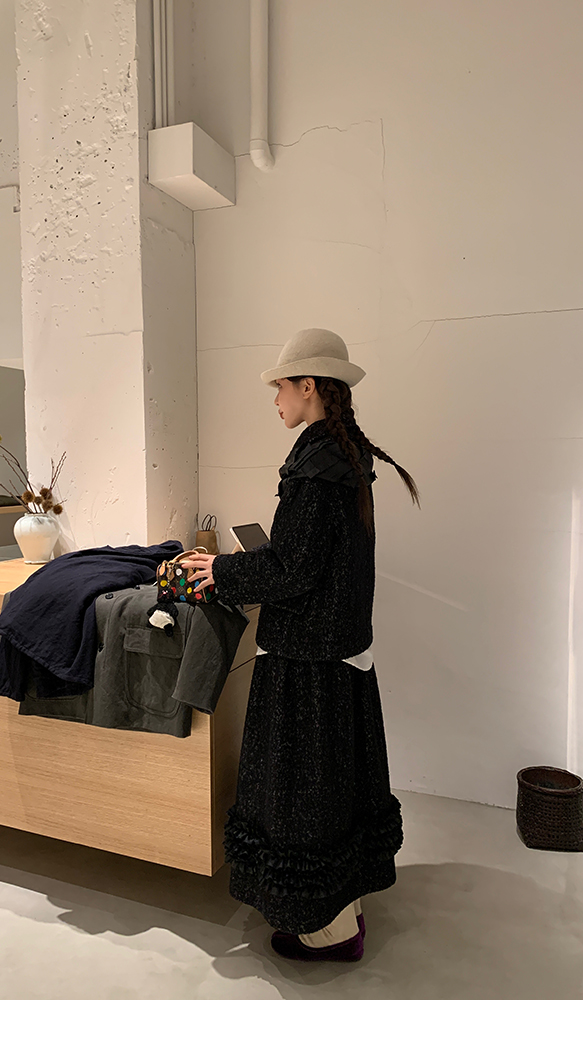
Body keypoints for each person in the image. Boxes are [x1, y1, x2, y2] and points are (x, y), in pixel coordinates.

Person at [186, 328, 420, 963]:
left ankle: (327, 932)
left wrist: (220, 570)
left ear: (308, 386)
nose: (275, 399)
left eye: (280, 387)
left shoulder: (316, 466)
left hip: (308, 660)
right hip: (336, 652)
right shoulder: (344, 455)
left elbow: (292, 569)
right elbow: (312, 559)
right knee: (337, 790)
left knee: (306, 798)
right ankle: (342, 910)